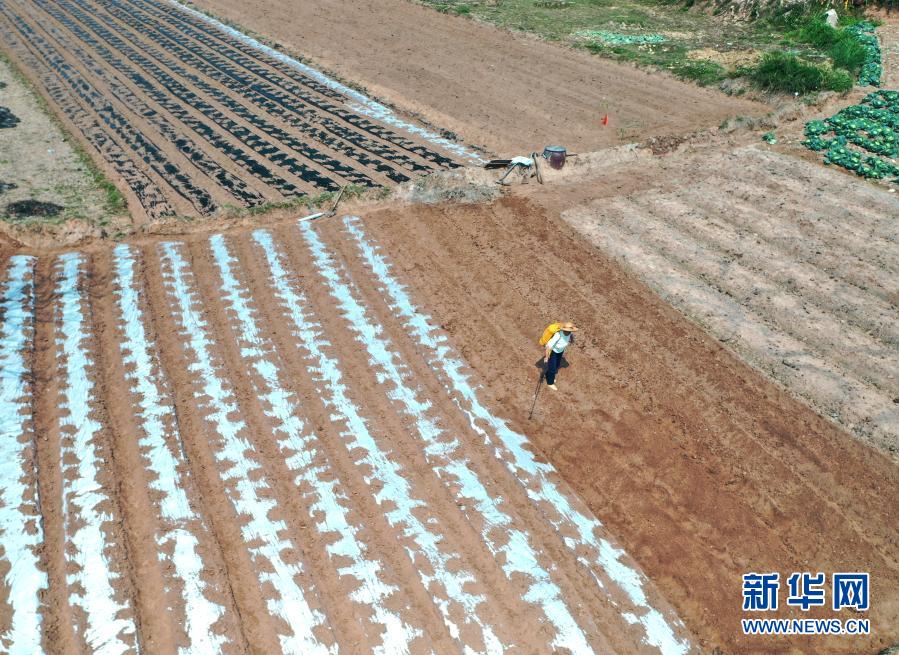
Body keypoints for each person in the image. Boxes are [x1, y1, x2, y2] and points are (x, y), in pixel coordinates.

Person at [543, 321, 577, 390]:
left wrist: (572, 339)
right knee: (552, 368)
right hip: (553, 352)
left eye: (570, 331)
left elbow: (571, 336)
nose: (569, 332)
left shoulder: (569, 334)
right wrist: (546, 357)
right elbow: (548, 346)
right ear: (564, 330)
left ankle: (548, 375)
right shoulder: (558, 335)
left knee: (556, 365)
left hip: (560, 352)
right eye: (567, 331)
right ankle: (550, 383)